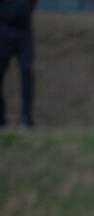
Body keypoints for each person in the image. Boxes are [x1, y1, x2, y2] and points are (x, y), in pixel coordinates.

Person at [0, 0, 36, 128]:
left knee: (27, 71)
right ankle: (1, 120)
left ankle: (27, 118)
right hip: (3, 29)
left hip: (23, 31)